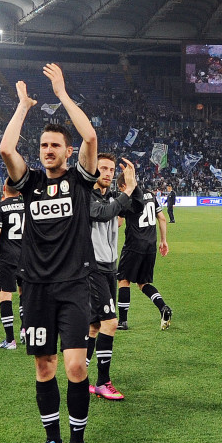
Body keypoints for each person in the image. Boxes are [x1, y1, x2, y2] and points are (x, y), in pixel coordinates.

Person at [0, 63, 98, 443]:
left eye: (55, 145)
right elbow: (7, 150)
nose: (47, 151)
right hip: (36, 288)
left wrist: (61, 93)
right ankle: (53, 441)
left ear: (67, 151)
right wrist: (22, 106)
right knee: (44, 367)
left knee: (76, 366)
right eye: (43, 146)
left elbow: (90, 135)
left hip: (74, 286)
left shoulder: (80, 180)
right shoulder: (31, 182)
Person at [86, 154, 136, 399]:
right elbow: (104, 214)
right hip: (91, 266)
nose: (107, 173)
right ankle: (102, 382)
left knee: (94, 325)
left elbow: (134, 206)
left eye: (111, 169)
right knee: (111, 322)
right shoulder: (85, 195)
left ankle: (82, 376)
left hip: (108, 266)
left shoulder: (109, 197)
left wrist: (132, 184)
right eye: (102, 168)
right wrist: (127, 193)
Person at [116, 173, 171, 332]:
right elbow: (162, 218)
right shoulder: (150, 194)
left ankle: (123, 321)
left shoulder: (128, 198)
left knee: (123, 280)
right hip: (150, 246)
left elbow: (119, 223)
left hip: (134, 244)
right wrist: (163, 240)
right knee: (143, 283)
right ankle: (163, 308)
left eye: (120, 188)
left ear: (124, 186)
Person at [0, 182, 26, 349]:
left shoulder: (0, 207)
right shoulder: (28, 205)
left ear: (4, 189)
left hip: (7, 257)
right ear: (18, 190)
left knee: (5, 295)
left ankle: (10, 340)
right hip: (26, 257)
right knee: (24, 293)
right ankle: (25, 329)